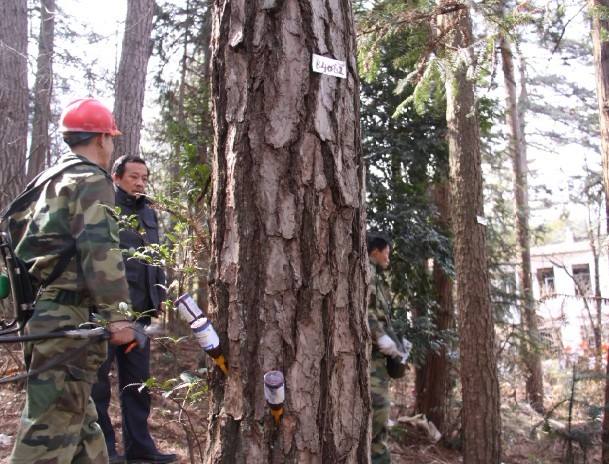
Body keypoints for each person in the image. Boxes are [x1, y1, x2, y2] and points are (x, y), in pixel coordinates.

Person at [7, 98, 136, 463]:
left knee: (81, 423)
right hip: (67, 320)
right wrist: (120, 317)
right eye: (111, 139)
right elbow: (101, 252)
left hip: (47, 314)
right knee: (51, 428)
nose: (111, 147)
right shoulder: (90, 180)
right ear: (101, 139)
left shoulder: (47, 181)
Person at [91, 155, 176, 464]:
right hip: (108, 316)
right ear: (116, 177)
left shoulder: (148, 212)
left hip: (141, 316)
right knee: (99, 388)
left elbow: (155, 259)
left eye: (144, 177)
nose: (140, 183)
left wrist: (160, 293)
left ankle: (140, 449)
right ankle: (106, 452)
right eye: (134, 177)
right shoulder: (104, 210)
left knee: (138, 385)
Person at [367, 234, 410, 464]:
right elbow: (366, 311)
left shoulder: (378, 277)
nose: (388, 258)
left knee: (381, 419)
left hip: (378, 362)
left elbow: (380, 315)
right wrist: (381, 338)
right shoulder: (367, 272)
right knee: (379, 415)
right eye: (387, 253)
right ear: (376, 250)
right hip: (371, 361)